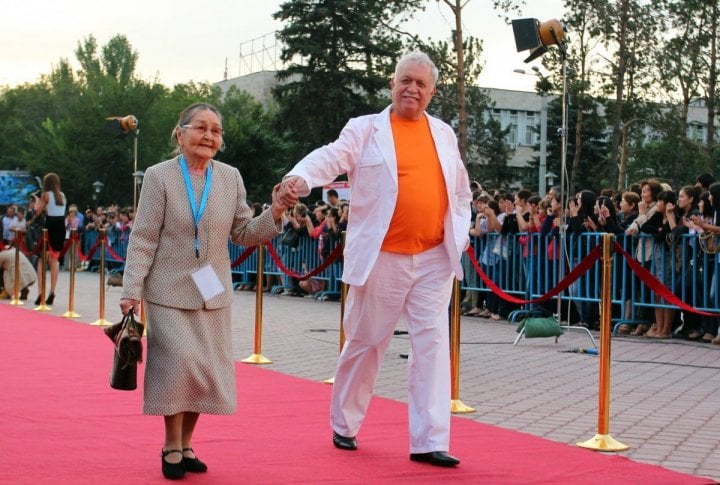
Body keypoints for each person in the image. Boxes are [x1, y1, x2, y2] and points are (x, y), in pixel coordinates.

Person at [281, 51, 472, 467]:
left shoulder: (443, 134)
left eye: (421, 84)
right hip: (383, 257)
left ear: (432, 92)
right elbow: (331, 157)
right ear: (393, 83)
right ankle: (344, 423)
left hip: (434, 259)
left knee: (433, 346)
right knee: (367, 342)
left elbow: (460, 192)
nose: (412, 89)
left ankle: (429, 440)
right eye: (406, 80)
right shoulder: (365, 128)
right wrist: (302, 178)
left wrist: (456, 237)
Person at [118, 102, 297, 480]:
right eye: (201, 128)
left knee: (203, 371)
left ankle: (186, 444)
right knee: (177, 365)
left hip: (213, 292)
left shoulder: (230, 177)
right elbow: (144, 236)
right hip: (167, 289)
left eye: (216, 131)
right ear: (180, 133)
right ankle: (170, 444)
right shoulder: (159, 175)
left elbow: (244, 233)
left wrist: (276, 210)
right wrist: (131, 288)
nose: (209, 136)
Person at [29, 173, 66, 305]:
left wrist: (38, 201)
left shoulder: (46, 195)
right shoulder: (62, 196)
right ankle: (52, 291)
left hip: (49, 227)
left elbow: (37, 212)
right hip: (60, 226)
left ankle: (40, 293)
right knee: (54, 260)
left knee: (41, 261)